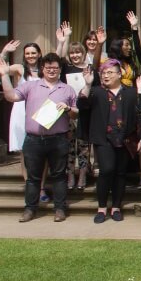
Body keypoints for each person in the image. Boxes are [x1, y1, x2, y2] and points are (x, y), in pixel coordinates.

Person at [0, 53, 78, 223]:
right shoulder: (31, 86)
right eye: (48, 68)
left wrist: (68, 107)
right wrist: (4, 75)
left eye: (55, 68)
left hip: (58, 139)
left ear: (60, 69)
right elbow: (10, 96)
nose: (52, 71)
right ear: (42, 69)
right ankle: (30, 209)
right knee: (33, 177)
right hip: (33, 139)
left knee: (59, 176)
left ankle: (60, 209)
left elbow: (75, 115)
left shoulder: (67, 89)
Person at [78, 59, 138, 224]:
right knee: (106, 170)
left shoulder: (131, 92)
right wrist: (88, 84)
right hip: (103, 139)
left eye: (109, 72)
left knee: (120, 173)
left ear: (119, 74)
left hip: (124, 138)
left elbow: (138, 115)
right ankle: (102, 208)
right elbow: (81, 104)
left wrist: (140, 138)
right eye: (103, 73)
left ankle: (116, 207)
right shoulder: (96, 92)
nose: (106, 76)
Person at [0, 41, 41, 189]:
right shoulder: (20, 68)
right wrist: (4, 52)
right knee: (25, 150)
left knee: (41, 148)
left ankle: (40, 186)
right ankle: (28, 183)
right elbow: (0, 70)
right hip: (21, 109)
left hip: (40, 110)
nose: (30, 56)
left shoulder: (44, 69)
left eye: (33, 53)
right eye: (28, 53)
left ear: (39, 54)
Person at [60, 41, 93, 190]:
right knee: (70, 146)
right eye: (72, 53)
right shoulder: (66, 68)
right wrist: (63, 40)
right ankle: (71, 174)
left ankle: (83, 174)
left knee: (84, 146)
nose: (75, 55)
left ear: (83, 53)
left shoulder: (89, 69)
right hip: (68, 112)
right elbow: (59, 57)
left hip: (85, 113)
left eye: (78, 52)